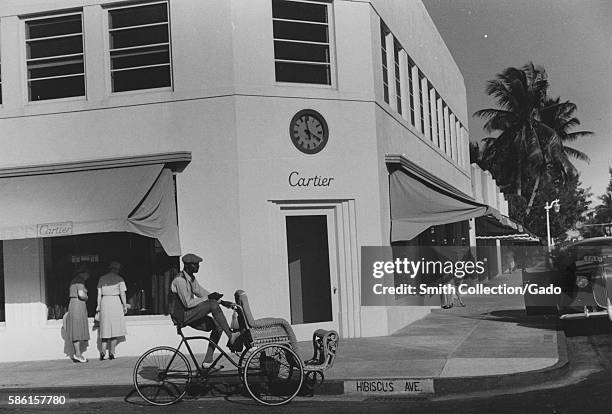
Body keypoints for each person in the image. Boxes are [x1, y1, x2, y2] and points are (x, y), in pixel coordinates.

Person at [170, 253, 239, 368]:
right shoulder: (180, 280)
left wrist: (222, 302)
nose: (198, 267)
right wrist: (210, 298)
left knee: (218, 326)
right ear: (187, 265)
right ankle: (231, 336)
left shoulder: (191, 278)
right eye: (195, 264)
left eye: (198, 264)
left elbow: (202, 293)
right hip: (182, 315)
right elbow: (188, 304)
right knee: (211, 304)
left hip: (189, 314)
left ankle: (207, 361)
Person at [97, 261, 127, 360]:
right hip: (115, 301)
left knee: (105, 327)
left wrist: (98, 305)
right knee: (114, 328)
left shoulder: (102, 278)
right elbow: (122, 294)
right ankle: (112, 352)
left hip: (104, 301)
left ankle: (103, 351)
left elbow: (99, 294)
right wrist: (124, 305)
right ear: (117, 269)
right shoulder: (119, 279)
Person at [65, 266, 91, 363]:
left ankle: (78, 353)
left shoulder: (74, 280)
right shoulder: (79, 281)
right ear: (84, 273)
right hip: (78, 305)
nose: (88, 277)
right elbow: (81, 294)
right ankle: (78, 354)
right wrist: (86, 297)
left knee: (76, 328)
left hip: (73, 304)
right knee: (77, 328)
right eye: (88, 274)